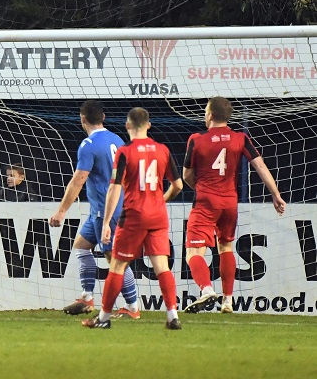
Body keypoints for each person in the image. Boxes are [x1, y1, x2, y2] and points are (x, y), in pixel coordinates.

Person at [182, 97, 286, 314]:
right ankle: (228, 301)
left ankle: (207, 289)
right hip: (230, 202)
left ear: (210, 115)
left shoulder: (196, 139)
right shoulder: (240, 137)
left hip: (205, 202)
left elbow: (187, 175)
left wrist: (201, 188)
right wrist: (275, 194)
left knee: (194, 253)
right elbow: (260, 165)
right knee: (226, 247)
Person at [83, 108, 184, 330]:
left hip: (134, 215)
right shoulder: (163, 150)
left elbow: (114, 188)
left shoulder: (125, 152)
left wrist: (108, 221)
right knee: (162, 267)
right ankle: (172, 316)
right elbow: (178, 185)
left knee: (117, 265)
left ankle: (103, 318)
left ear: (127, 126)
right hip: (158, 215)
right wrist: (161, 201)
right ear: (148, 125)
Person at [49, 100, 141, 319]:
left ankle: (133, 307)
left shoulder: (88, 144)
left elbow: (79, 180)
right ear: (104, 117)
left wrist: (61, 211)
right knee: (81, 246)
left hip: (105, 209)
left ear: (82, 119)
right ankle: (87, 297)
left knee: (114, 258)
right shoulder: (117, 139)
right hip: (104, 209)